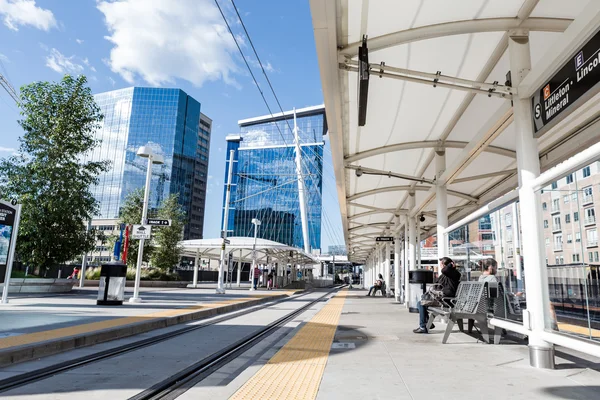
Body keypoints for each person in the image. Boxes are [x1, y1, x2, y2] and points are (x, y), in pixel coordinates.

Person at [413, 257, 461, 334]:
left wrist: (449, 265)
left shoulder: (453, 273)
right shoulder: (446, 274)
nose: (440, 266)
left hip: (446, 301)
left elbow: (444, 270)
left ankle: (423, 326)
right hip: (442, 299)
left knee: (421, 303)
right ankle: (427, 323)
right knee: (421, 302)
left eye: (441, 264)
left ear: (446, 265)